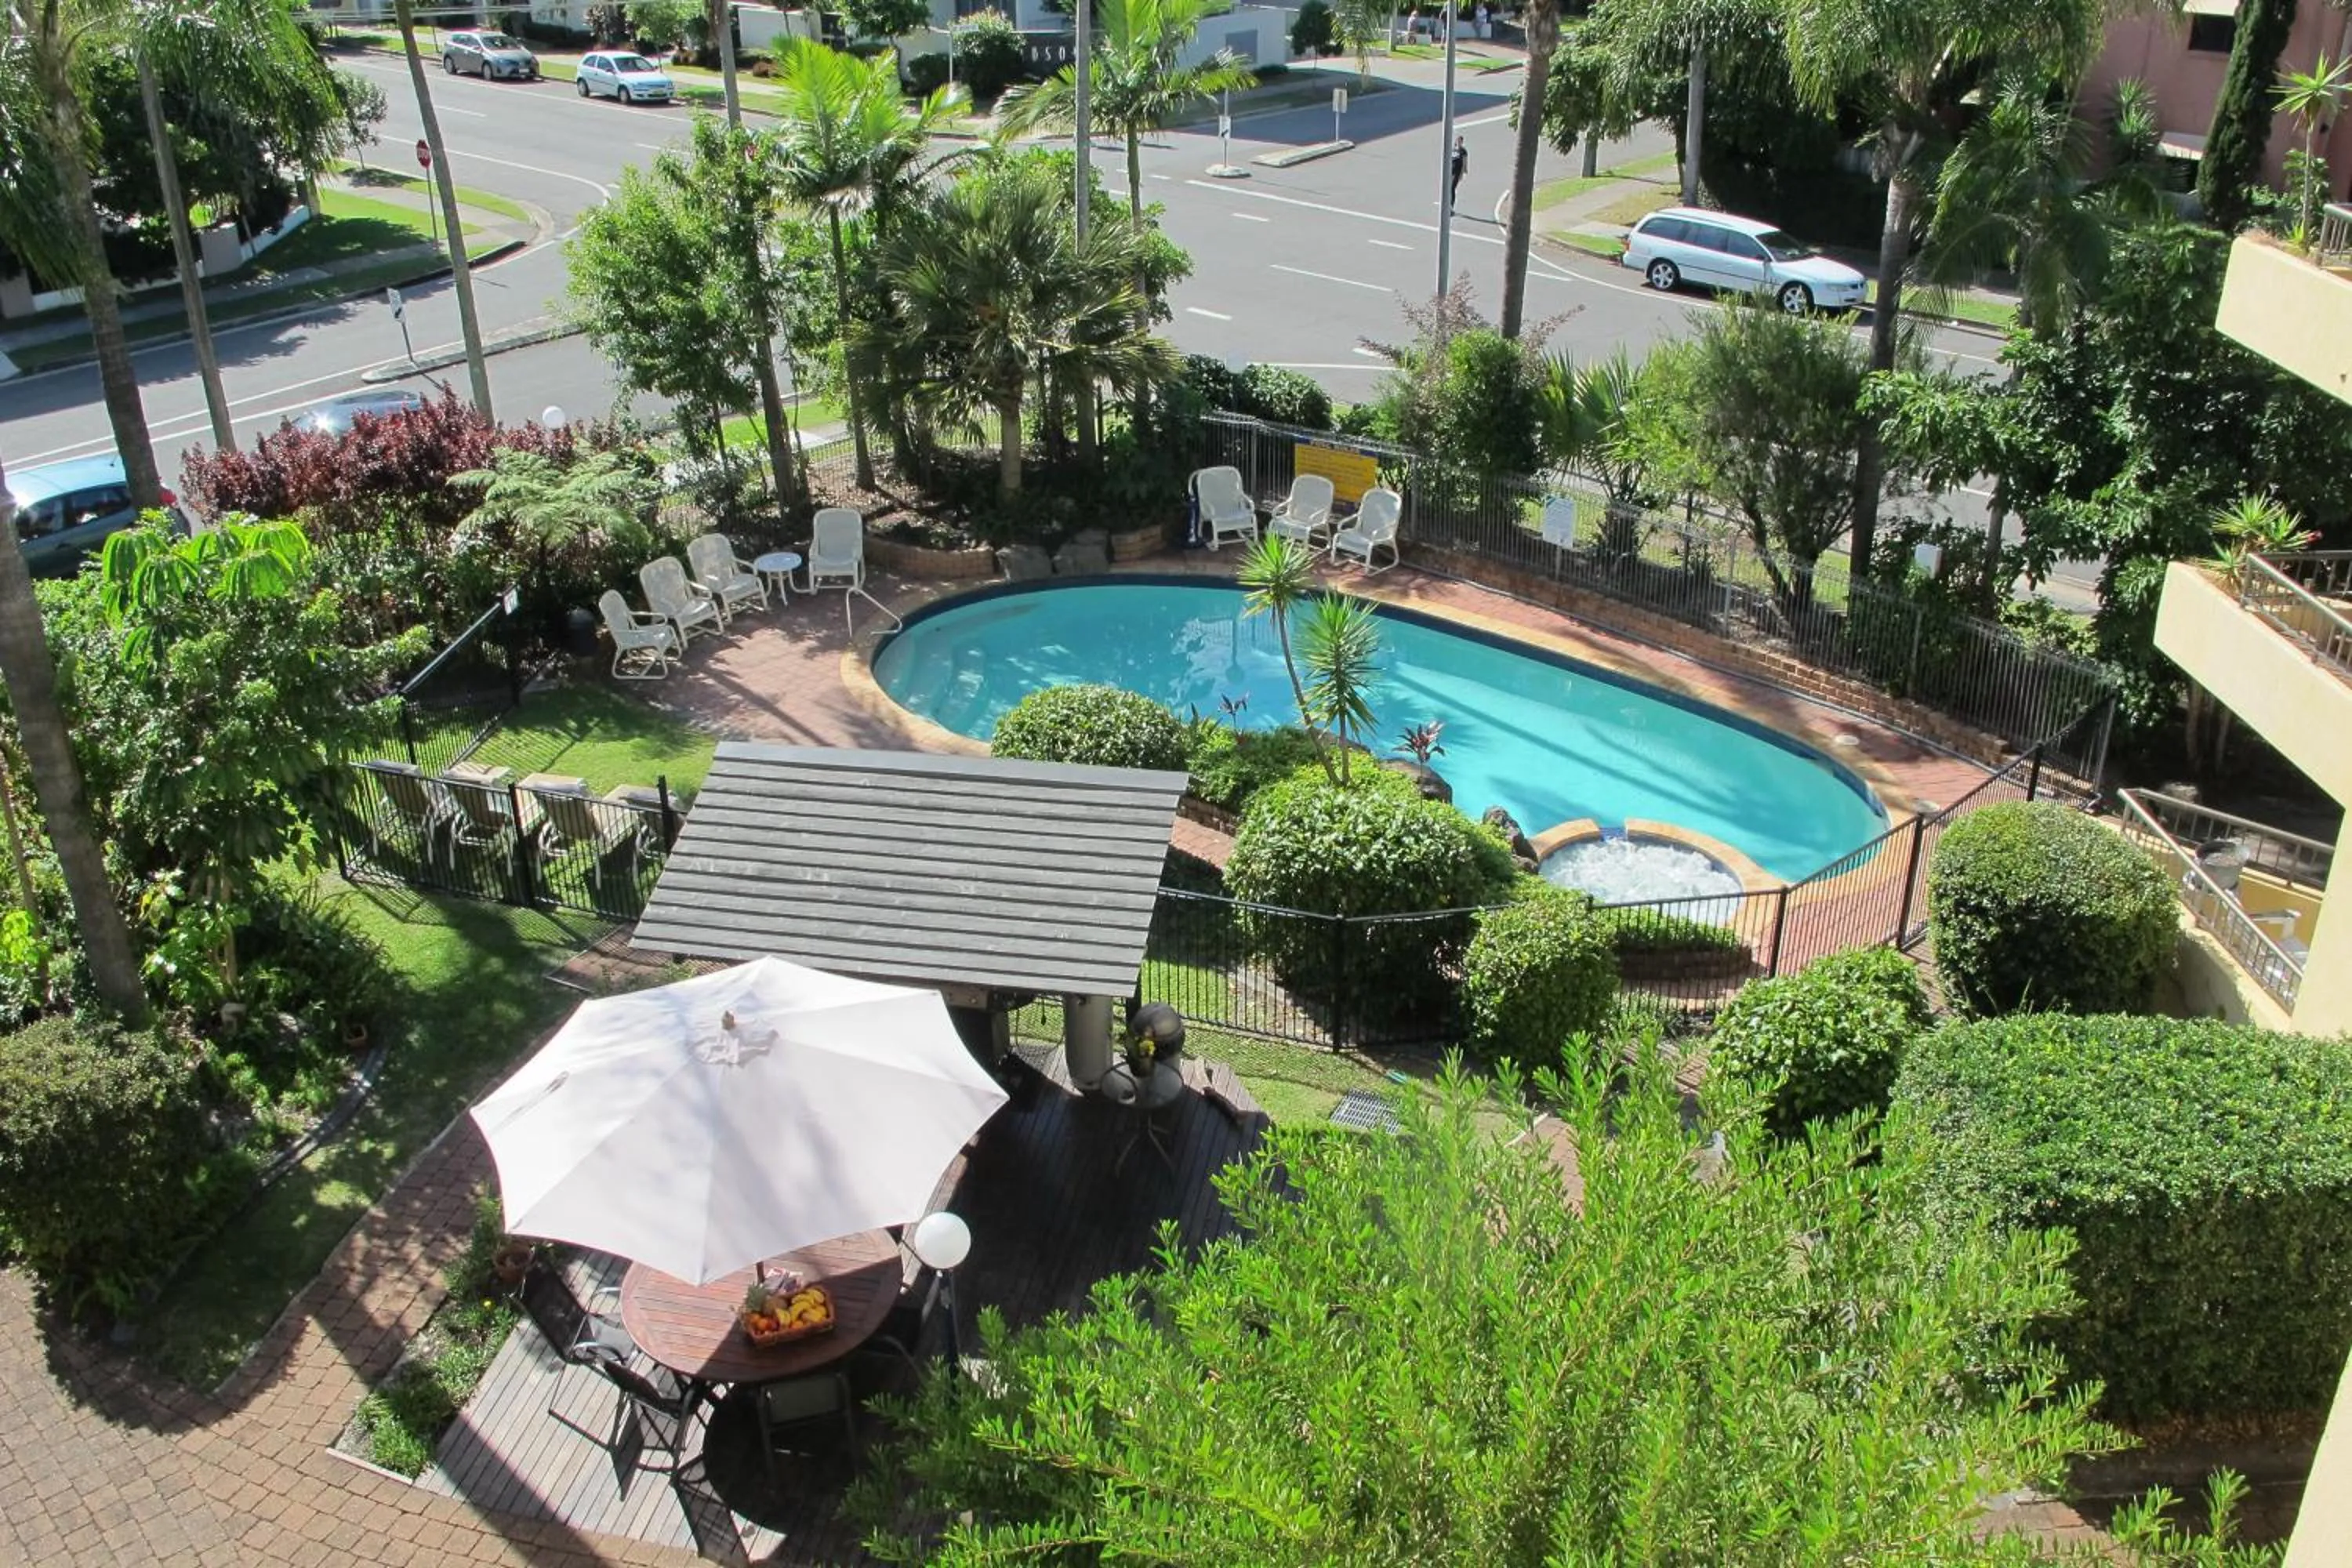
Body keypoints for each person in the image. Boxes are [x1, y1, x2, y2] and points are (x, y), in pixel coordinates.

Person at [1450, 135, 1468, 208]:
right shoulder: (1453, 149)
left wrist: (1463, 172)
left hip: (1457, 172)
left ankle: (1451, 206)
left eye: (1460, 141)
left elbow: (1465, 162)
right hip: (1451, 171)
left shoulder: (1463, 151)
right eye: (1458, 141)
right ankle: (1448, 203)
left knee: (1452, 188)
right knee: (1448, 188)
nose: (1459, 142)